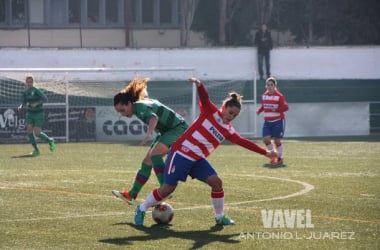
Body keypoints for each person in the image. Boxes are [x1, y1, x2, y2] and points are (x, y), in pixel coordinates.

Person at [134, 77, 277, 226]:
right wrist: (200, 85)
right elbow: (204, 97)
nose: (231, 116)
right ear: (224, 107)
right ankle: (141, 208)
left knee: (216, 183)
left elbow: (243, 142)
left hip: (197, 160)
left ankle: (219, 217)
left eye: (234, 115)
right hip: (181, 154)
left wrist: (265, 152)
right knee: (167, 189)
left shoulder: (228, 130)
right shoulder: (210, 111)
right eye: (230, 112)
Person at [112, 76, 189, 204]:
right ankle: (131, 194)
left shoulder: (140, 107)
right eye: (119, 112)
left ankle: (165, 189)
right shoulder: (140, 104)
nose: (122, 114)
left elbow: (153, 118)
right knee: (147, 162)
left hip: (178, 128)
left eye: (122, 110)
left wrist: (148, 134)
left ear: (129, 104)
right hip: (167, 131)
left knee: (155, 154)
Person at [17, 74, 55, 156]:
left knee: (37, 133)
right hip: (30, 113)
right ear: (26, 82)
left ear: (33, 82)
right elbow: (24, 102)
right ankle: (36, 150)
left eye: (31, 82)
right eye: (28, 82)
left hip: (39, 113)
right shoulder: (25, 92)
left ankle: (50, 140)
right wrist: (21, 106)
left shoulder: (37, 90)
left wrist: (37, 103)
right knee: (29, 130)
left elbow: (45, 99)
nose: (29, 83)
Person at [256, 77, 289, 164]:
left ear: (275, 86)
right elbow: (264, 105)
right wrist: (259, 110)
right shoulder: (264, 95)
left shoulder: (279, 96)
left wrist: (276, 110)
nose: (269, 86)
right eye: (268, 85)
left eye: (271, 85)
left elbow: (286, 107)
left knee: (276, 140)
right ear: (266, 86)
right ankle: (273, 155)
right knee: (265, 139)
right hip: (267, 122)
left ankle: (280, 157)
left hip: (278, 121)